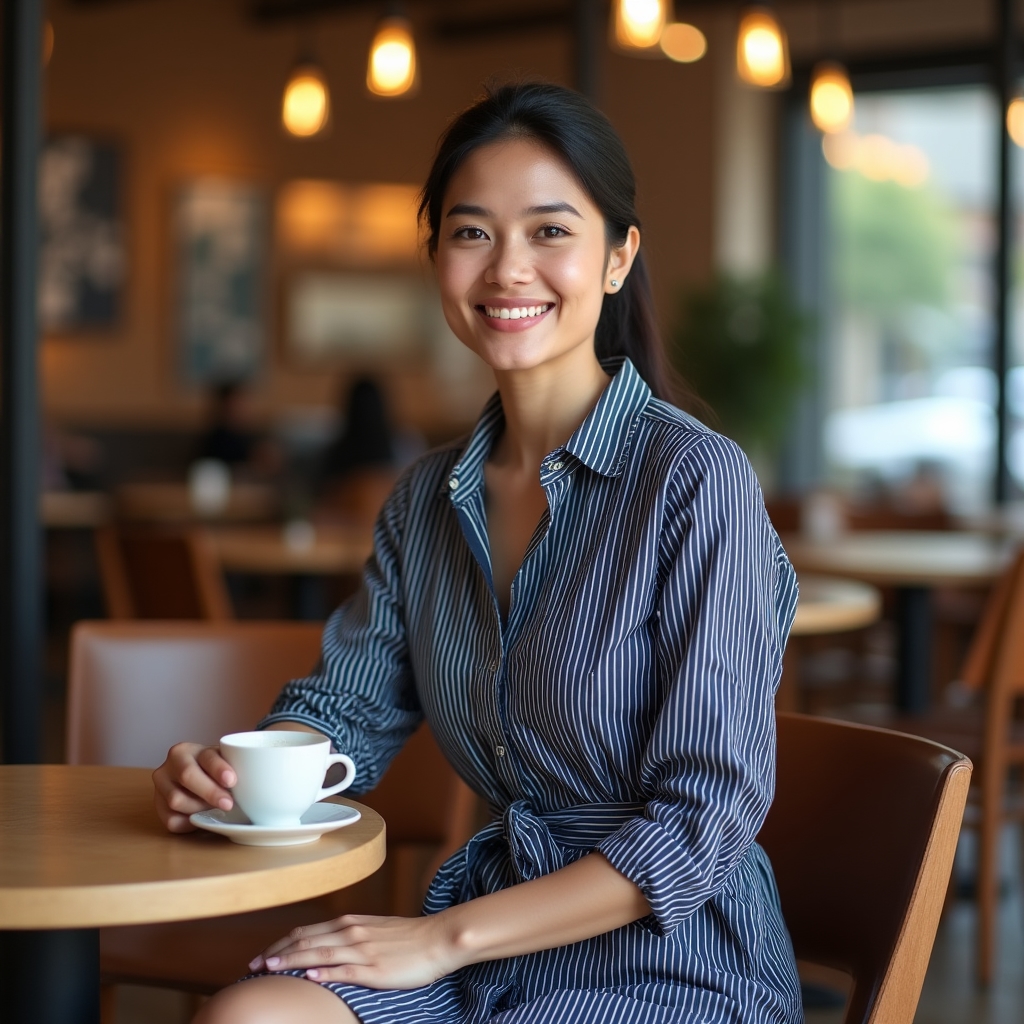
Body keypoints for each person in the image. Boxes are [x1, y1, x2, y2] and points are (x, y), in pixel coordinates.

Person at [154, 81, 802, 1024]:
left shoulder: (695, 483)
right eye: (471, 233)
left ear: (618, 258)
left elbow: (702, 824)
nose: (507, 270)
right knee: (252, 1013)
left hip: (677, 966)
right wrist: (231, 774)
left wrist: (436, 939)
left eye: (550, 232)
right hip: (488, 954)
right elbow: (347, 710)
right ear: (436, 260)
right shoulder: (424, 499)